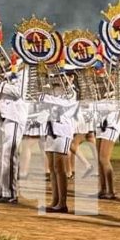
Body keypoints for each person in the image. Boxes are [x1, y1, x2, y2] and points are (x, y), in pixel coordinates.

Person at [0, 64, 29, 204]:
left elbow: (19, 91)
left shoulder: (26, 68)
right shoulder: (8, 65)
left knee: (8, 155)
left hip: (14, 114)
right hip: (0, 112)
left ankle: (10, 192)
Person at [39, 82, 79, 213]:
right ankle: (55, 200)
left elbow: (66, 103)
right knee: (52, 167)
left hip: (63, 131)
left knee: (59, 167)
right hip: (50, 129)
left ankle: (62, 203)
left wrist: (45, 97)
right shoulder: (52, 89)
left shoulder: (72, 91)